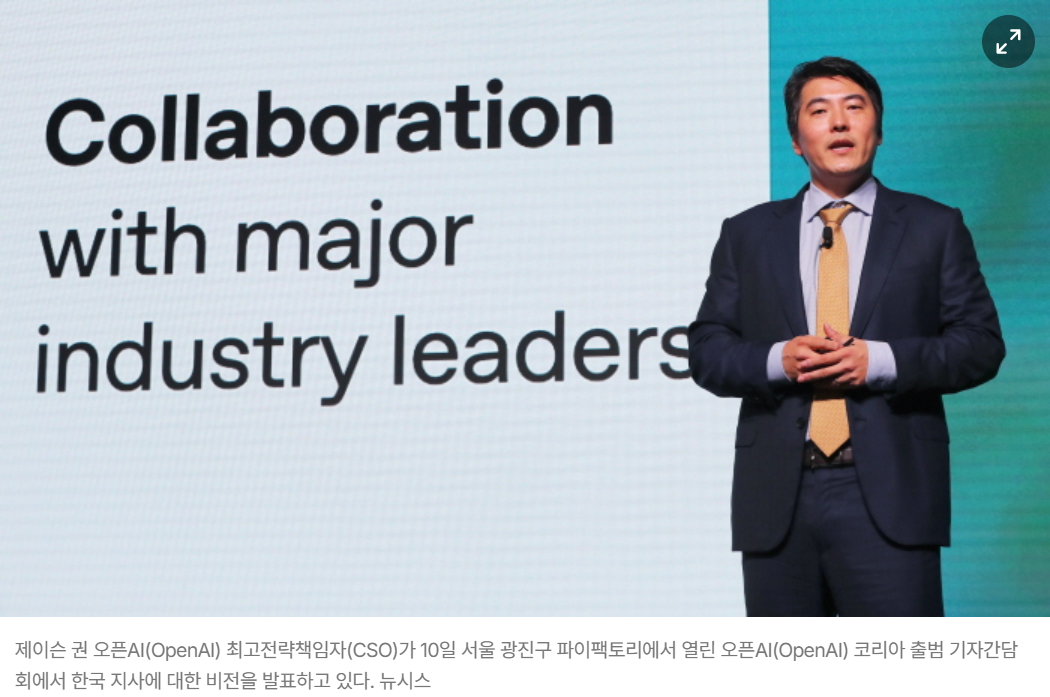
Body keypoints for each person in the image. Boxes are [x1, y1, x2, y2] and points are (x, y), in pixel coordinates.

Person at [688, 57, 1004, 616]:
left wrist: (879, 362)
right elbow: (708, 351)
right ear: (795, 140)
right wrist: (778, 360)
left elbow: (980, 344)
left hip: (891, 492)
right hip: (778, 499)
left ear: (877, 131)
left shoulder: (934, 226)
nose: (839, 122)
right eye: (820, 111)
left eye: (854, 108)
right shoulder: (747, 234)